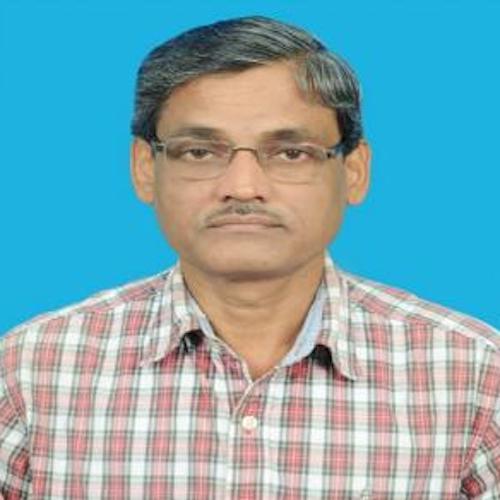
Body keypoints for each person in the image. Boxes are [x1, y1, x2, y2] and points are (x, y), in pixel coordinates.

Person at [1, 16, 498, 499]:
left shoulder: (474, 376)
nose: (242, 187)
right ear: (144, 167)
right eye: (200, 152)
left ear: (354, 171)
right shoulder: (31, 371)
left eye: (290, 153)